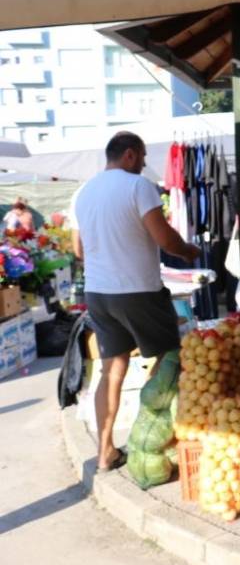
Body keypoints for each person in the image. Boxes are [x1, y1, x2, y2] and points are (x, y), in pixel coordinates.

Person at [71, 132, 201, 472]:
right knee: (169, 358)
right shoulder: (138, 186)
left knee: (111, 370)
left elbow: (79, 250)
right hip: (138, 291)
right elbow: (165, 239)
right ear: (129, 154)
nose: (144, 164)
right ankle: (151, 439)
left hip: (98, 293)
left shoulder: (84, 192)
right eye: (142, 157)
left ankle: (105, 452)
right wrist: (188, 251)